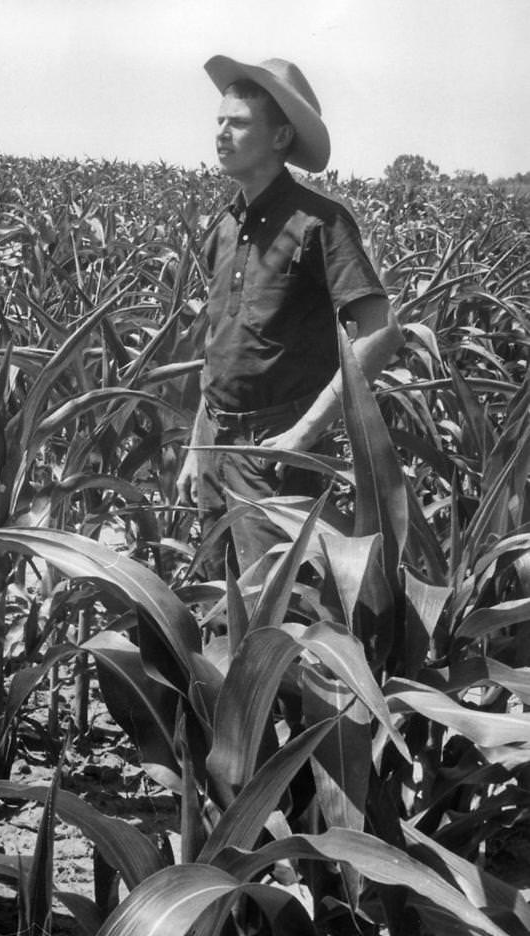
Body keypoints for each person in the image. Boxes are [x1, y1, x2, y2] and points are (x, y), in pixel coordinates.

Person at [176, 56, 403, 576]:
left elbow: (379, 332)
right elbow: (220, 345)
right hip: (215, 442)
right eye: (218, 122)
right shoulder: (225, 228)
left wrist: (305, 433)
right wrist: (197, 447)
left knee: (275, 611)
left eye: (238, 123)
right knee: (218, 592)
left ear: (280, 138)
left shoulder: (319, 223)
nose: (222, 134)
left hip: (274, 448)